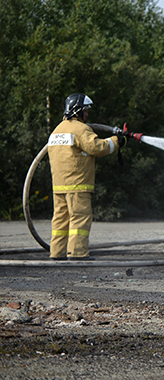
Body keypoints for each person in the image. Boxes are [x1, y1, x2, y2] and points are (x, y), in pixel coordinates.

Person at [47, 93, 125, 261]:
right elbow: (97, 147)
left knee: (60, 220)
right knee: (80, 218)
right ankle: (77, 253)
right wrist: (116, 141)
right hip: (77, 185)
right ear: (78, 111)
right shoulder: (80, 129)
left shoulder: (57, 130)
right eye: (85, 110)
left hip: (59, 185)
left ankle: (57, 253)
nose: (87, 114)